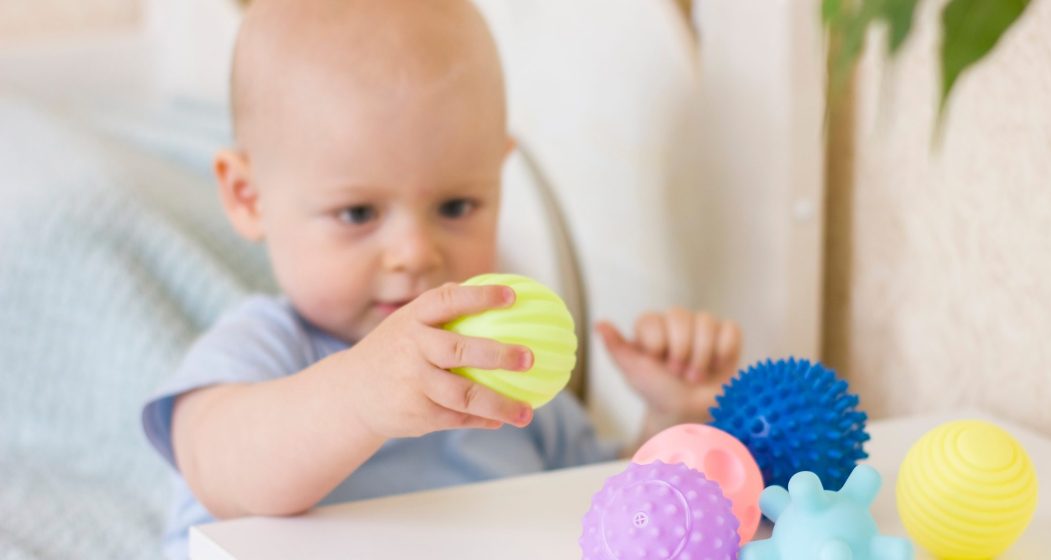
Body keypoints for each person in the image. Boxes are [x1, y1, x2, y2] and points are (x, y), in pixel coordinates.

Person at [140, 1, 742, 557]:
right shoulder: (264, 348)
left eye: (455, 206)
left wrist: (667, 421)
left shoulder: (505, 369)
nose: (414, 253)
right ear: (249, 197)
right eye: (357, 213)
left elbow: (597, 509)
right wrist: (361, 395)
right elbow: (221, 471)